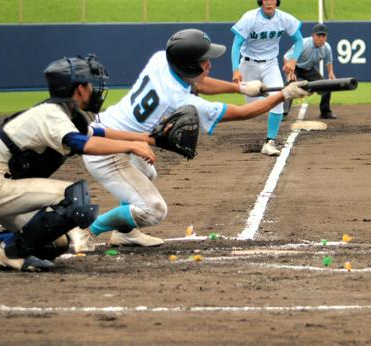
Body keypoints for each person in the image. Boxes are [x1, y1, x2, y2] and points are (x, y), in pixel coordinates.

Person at [75, 29, 310, 250]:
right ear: (187, 65)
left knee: (147, 174)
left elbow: (198, 81)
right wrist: (283, 94)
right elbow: (242, 113)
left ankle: (125, 232)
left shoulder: (161, 60)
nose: (209, 64)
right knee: (154, 210)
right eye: (203, 61)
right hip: (108, 150)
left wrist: (241, 89)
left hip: (114, 131)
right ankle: (87, 230)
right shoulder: (179, 99)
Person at [0, 55, 156, 271]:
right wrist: (131, 147)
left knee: (55, 243)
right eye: (89, 84)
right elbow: (81, 142)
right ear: (79, 89)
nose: (94, 90)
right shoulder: (51, 115)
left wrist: (148, 138)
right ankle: (10, 251)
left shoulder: (60, 114)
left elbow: (98, 132)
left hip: (3, 187)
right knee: (73, 197)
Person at [230, 0, 305, 156]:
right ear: (260, 1)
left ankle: (269, 142)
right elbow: (236, 45)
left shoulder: (284, 18)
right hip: (248, 64)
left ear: (277, 1)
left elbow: (299, 40)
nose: (269, 2)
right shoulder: (250, 18)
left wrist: (293, 60)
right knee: (250, 109)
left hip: (270, 64)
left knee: (279, 99)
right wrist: (235, 69)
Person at [282, 23, 337, 119]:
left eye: (323, 35)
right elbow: (286, 57)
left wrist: (330, 73)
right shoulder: (303, 44)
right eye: (318, 35)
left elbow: (329, 61)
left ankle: (325, 112)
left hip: (309, 69)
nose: (321, 38)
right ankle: (283, 113)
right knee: (289, 87)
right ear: (313, 35)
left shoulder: (327, 48)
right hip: (296, 68)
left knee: (326, 86)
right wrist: (291, 72)